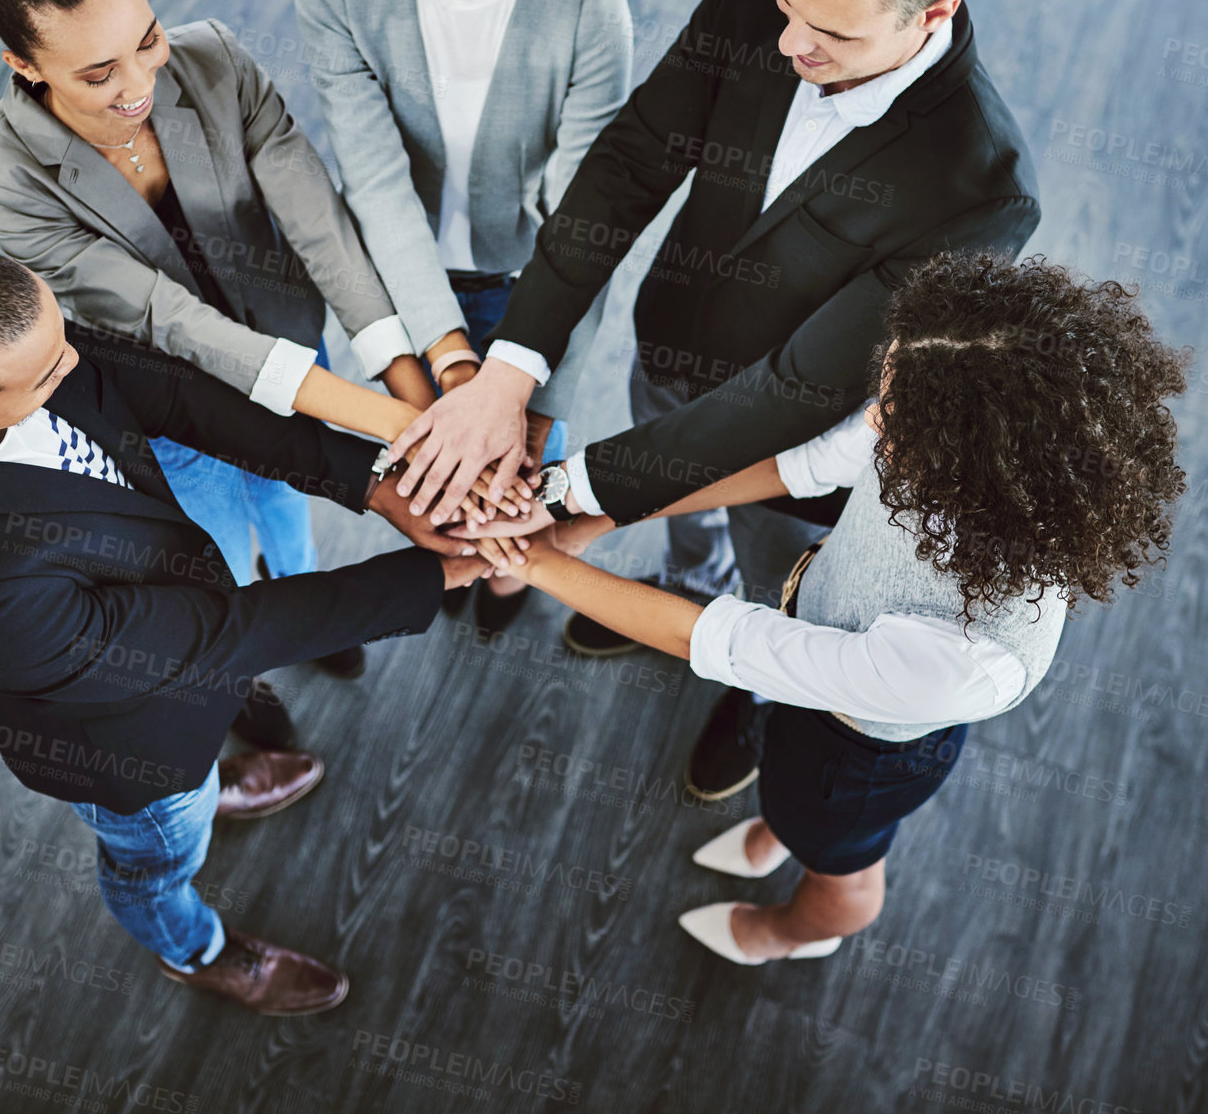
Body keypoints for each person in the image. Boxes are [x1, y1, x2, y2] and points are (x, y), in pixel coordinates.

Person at [385, 0, 1045, 794]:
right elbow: (630, 163)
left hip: (794, 458)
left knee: (784, 592)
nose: (787, 43)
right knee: (692, 534)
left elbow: (799, 387)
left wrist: (575, 492)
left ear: (932, 14)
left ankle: (760, 693)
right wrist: (508, 368)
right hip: (672, 344)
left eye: (829, 32)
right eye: (785, 6)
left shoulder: (980, 188)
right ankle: (687, 582)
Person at [0, 237, 495, 1013]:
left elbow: (179, 396)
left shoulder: (4, 346)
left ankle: (216, 781)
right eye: (49, 373)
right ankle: (192, 949)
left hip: (177, 668)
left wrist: (372, 486)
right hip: (135, 754)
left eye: (61, 339)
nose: (74, 364)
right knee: (157, 857)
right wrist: (429, 574)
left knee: (204, 763)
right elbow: (217, 634)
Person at [471, 253, 1187, 963]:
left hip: (860, 760)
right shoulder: (954, 427)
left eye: (895, 408)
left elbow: (725, 639)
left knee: (839, 862)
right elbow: (799, 467)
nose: (878, 413)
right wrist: (603, 514)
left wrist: (535, 561)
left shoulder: (969, 657)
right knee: (787, 786)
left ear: (969, 455)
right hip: (824, 673)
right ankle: (777, 830)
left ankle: (793, 930)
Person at [0, 0, 445, 681]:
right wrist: (396, 426)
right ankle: (252, 675)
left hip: (296, 350)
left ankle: (311, 609)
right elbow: (168, 319)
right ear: (23, 63)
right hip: (172, 400)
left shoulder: (216, 61)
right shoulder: (6, 188)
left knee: (293, 501)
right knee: (214, 550)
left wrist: (403, 388)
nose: (140, 87)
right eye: (96, 74)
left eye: (146, 40)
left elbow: (321, 226)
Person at [294, 0, 631, 631]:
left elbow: (584, 224)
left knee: (522, 482)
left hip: (536, 292)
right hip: (403, 286)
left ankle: (513, 580)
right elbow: (373, 180)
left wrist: (531, 396)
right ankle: (466, 566)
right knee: (435, 483)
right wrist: (446, 357)